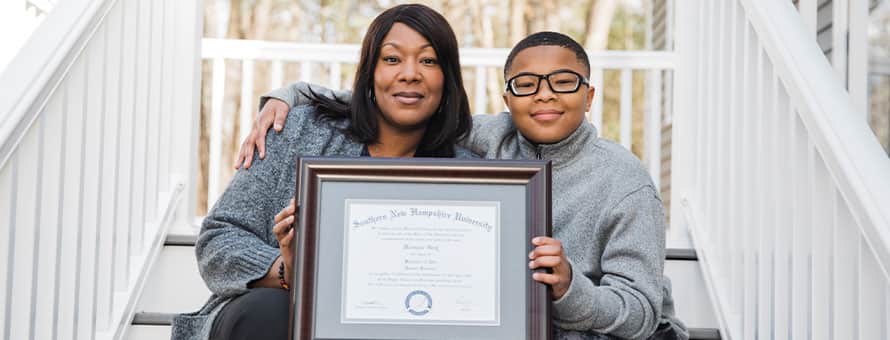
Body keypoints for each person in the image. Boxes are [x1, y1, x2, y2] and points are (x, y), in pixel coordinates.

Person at [241, 32, 689, 340]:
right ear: (507, 97)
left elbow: (643, 313)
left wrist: (570, 287)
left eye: (565, 83)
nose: (546, 95)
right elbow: (398, 102)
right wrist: (292, 94)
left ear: (589, 96)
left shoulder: (626, 183)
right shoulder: (490, 137)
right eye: (527, 84)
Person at [170, 4, 475, 340]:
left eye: (428, 61)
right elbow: (219, 238)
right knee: (269, 311)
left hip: (403, 319)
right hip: (276, 314)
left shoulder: (470, 173)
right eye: (391, 59)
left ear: (448, 77)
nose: (409, 73)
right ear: (369, 72)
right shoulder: (300, 131)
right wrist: (290, 269)